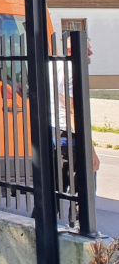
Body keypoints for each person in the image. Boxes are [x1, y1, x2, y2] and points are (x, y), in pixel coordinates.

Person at [48, 35, 100, 225]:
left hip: (54, 130)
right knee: (84, 181)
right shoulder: (72, 71)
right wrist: (90, 150)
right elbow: (73, 110)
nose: (90, 53)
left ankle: (41, 224)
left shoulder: (53, 65)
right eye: (87, 49)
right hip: (70, 133)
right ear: (72, 50)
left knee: (54, 185)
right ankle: (81, 225)